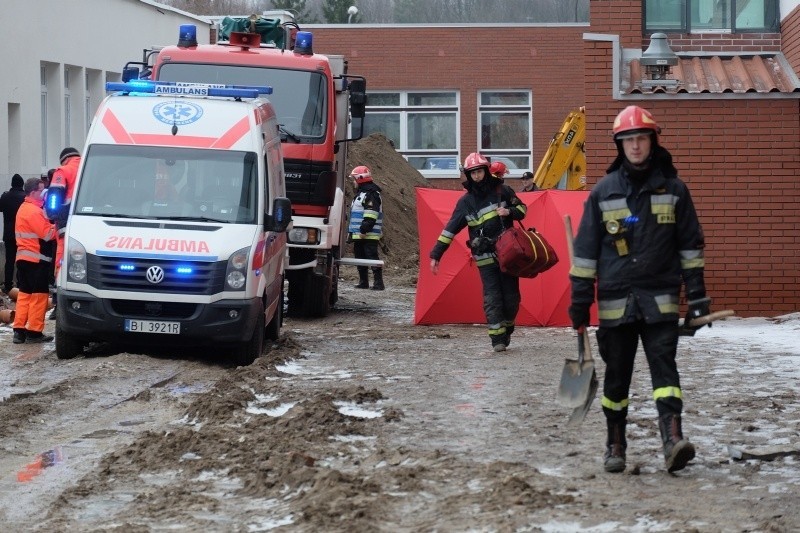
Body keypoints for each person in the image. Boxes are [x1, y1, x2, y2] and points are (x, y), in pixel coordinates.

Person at [568, 105, 710, 474]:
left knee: (666, 372)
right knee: (617, 377)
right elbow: (584, 255)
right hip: (616, 304)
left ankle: (673, 440)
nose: (635, 146)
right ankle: (615, 444)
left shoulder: (675, 190)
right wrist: (579, 304)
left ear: (652, 141)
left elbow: (690, 249)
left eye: (640, 138)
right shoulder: (603, 192)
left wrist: (697, 298)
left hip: (660, 301)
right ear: (620, 145)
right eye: (628, 140)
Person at [429, 152, 527, 352]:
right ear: (468, 174)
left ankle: (507, 328)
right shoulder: (465, 202)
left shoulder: (504, 191)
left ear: (486, 171)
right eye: (472, 173)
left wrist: (510, 211)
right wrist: (436, 254)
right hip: (483, 256)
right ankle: (497, 339)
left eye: (479, 172)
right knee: (492, 297)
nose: (476, 176)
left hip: (507, 255)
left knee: (511, 298)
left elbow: (523, 210)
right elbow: (450, 229)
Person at [12, 178, 56, 344]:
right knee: (39, 296)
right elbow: (47, 235)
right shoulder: (34, 211)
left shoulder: (24, 208)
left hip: (24, 259)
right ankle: (34, 332)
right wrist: (58, 225)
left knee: (24, 295)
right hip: (36, 262)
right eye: (41, 191)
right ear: (33, 193)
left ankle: (19, 331)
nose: (44, 195)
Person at [348, 165, 385, 290]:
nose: (353, 182)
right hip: (360, 233)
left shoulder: (371, 194)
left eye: (354, 179)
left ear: (360, 179)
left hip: (368, 233)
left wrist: (364, 229)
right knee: (360, 257)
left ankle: (378, 283)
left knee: (372, 257)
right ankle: (364, 282)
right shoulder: (363, 193)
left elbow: (371, 214)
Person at [46, 147, 81, 279]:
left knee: (62, 257)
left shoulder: (63, 171)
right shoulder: (90, 167)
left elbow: (54, 198)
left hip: (66, 222)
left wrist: (53, 214)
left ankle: (59, 282)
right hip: (90, 222)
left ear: (64, 160)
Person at [0, 174, 26, 293]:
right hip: (23, 234)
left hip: (8, 234)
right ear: (22, 184)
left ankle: (8, 285)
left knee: (9, 260)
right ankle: (20, 284)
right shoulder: (24, 197)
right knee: (21, 260)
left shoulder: (5, 197)